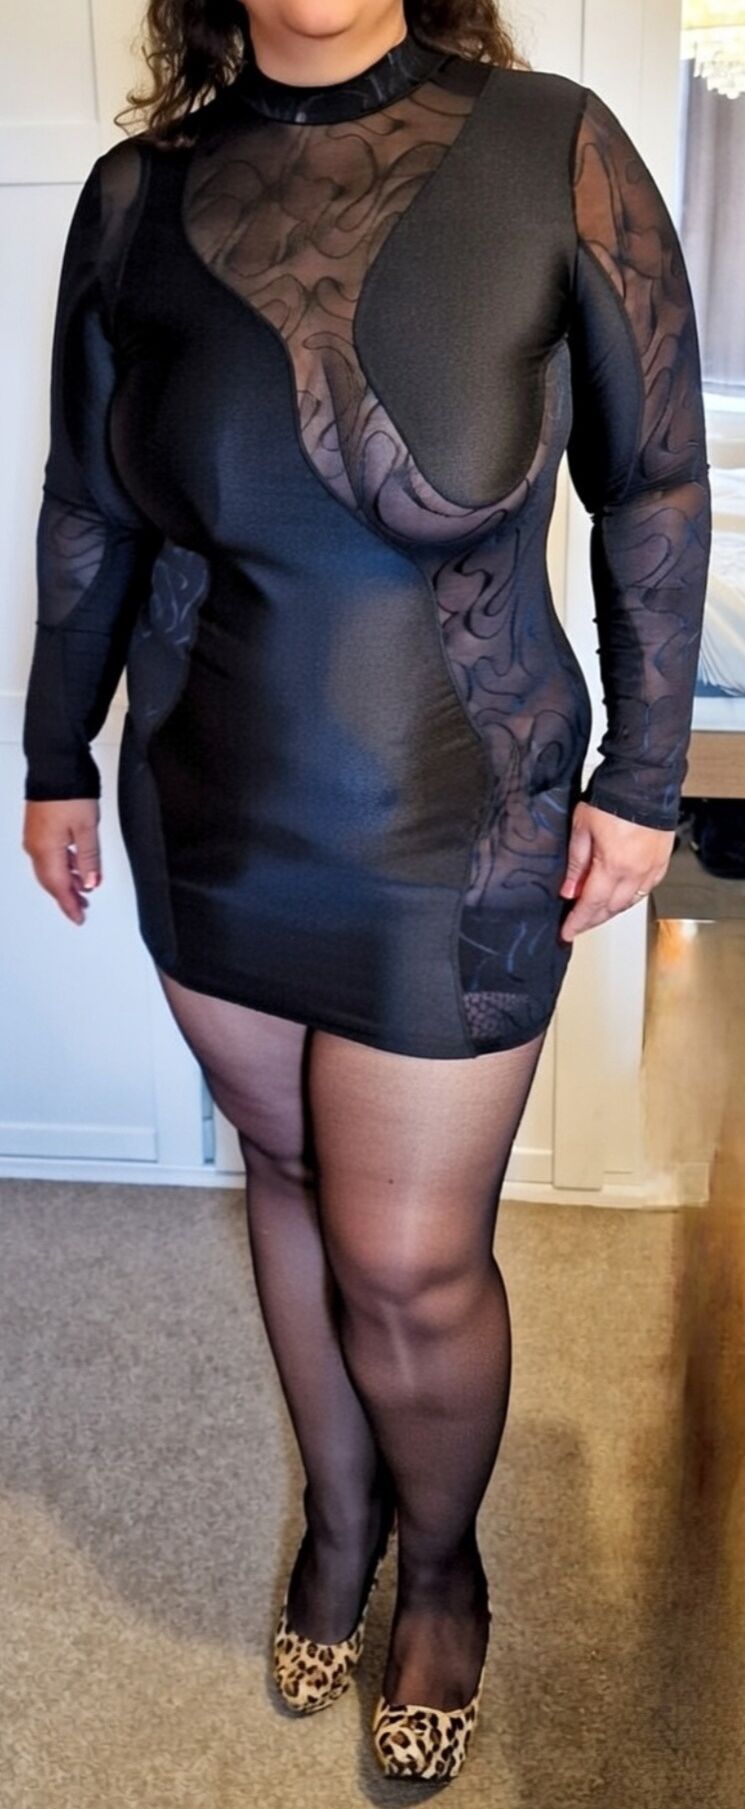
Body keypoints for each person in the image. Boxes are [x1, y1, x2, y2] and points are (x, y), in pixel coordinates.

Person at [20, 0, 712, 1782]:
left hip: (459, 816)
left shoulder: (552, 146)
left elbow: (652, 486)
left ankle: (445, 1566)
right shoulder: (134, 199)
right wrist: (52, 752)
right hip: (210, 807)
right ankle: (338, 1526)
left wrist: (643, 779)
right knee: (284, 1171)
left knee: (407, 1255)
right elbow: (88, 507)